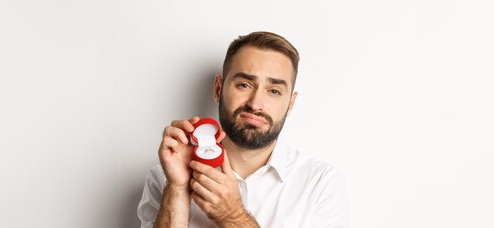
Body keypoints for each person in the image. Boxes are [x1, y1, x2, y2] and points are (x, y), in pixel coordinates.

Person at [137, 31, 348, 228]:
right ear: (218, 89)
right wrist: (178, 189)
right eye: (244, 85)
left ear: (290, 104)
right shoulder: (166, 177)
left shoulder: (320, 183)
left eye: (274, 90)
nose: (256, 104)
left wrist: (233, 216)